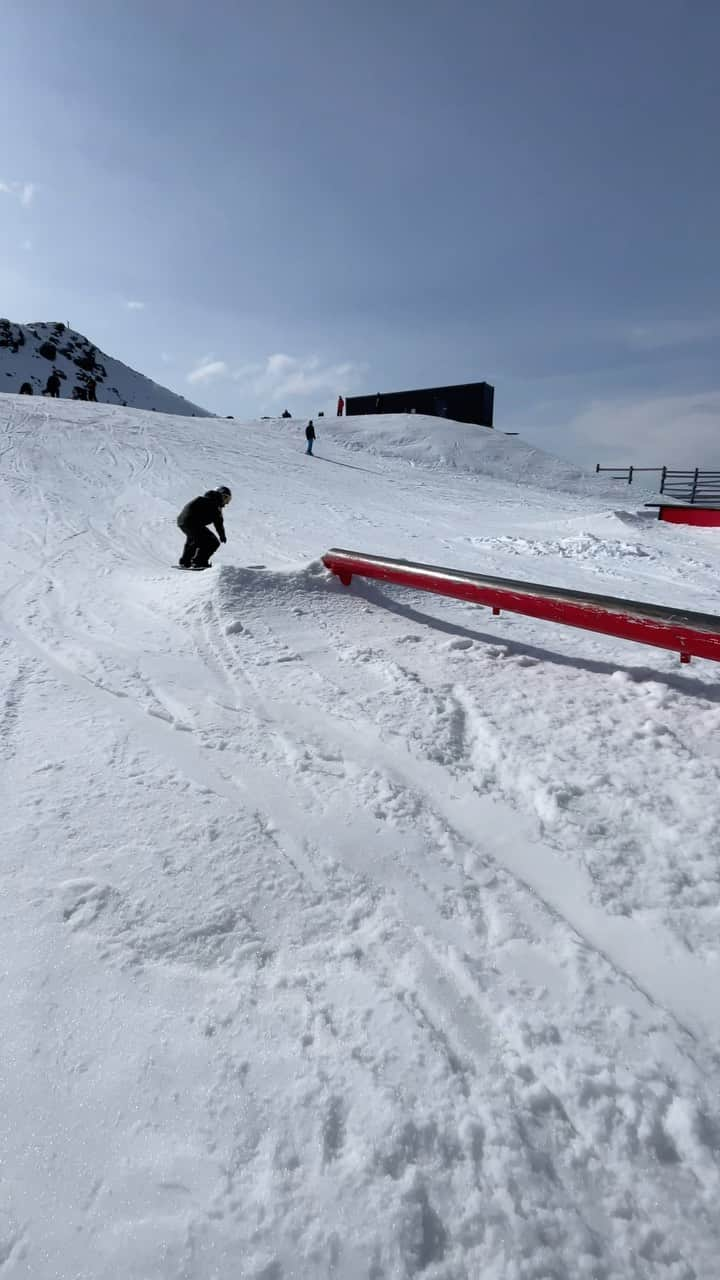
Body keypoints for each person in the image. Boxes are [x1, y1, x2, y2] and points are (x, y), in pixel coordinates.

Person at [176, 486, 232, 570]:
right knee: (213, 542)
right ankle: (199, 562)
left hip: (183, 521)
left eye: (228, 499)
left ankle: (185, 562)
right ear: (218, 494)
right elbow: (218, 522)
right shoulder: (215, 503)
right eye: (225, 497)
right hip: (192, 523)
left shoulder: (208, 500)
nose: (226, 502)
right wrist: (222, 535)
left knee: (194, 540)